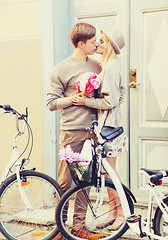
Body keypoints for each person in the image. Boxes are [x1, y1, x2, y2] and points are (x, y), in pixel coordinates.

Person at [47, 22, 101, 240]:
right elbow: (51, 103)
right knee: (65, 181)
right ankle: (59, 227)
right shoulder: (61, 69)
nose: (97, 44)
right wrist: (73, 99)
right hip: (71, 131)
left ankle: (79, 226)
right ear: (81, 44)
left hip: (92, 132)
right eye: (92, 41)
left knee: (86, 180)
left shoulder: (97, 66)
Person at [70, 28, 128, 231]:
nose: (98, 44)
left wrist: (87, 101)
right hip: (110, 126)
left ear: (110, 46)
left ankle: (122, 215)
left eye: (102, 42)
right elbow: (118, 95)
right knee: (107, 171)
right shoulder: (109, 65)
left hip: (111, 127)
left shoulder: (111, 67)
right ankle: (114, 213)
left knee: (110, 173)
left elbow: (110, 101)